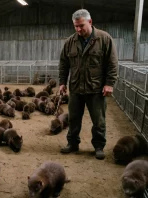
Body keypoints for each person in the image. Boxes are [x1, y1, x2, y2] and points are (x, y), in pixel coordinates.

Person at [58, 9, 118, 160]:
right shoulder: (70, 42)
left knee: (99, 120)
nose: (78, 29)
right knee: (73, 119)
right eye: (76, 26)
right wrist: (62, 83)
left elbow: (112, 63)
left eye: (81, 26)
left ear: (90, 22)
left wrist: (109, 83)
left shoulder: (104, 39)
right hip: (76, 87)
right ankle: (72, 144)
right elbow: (64, 64)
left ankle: (98, 146)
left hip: (96, 89)